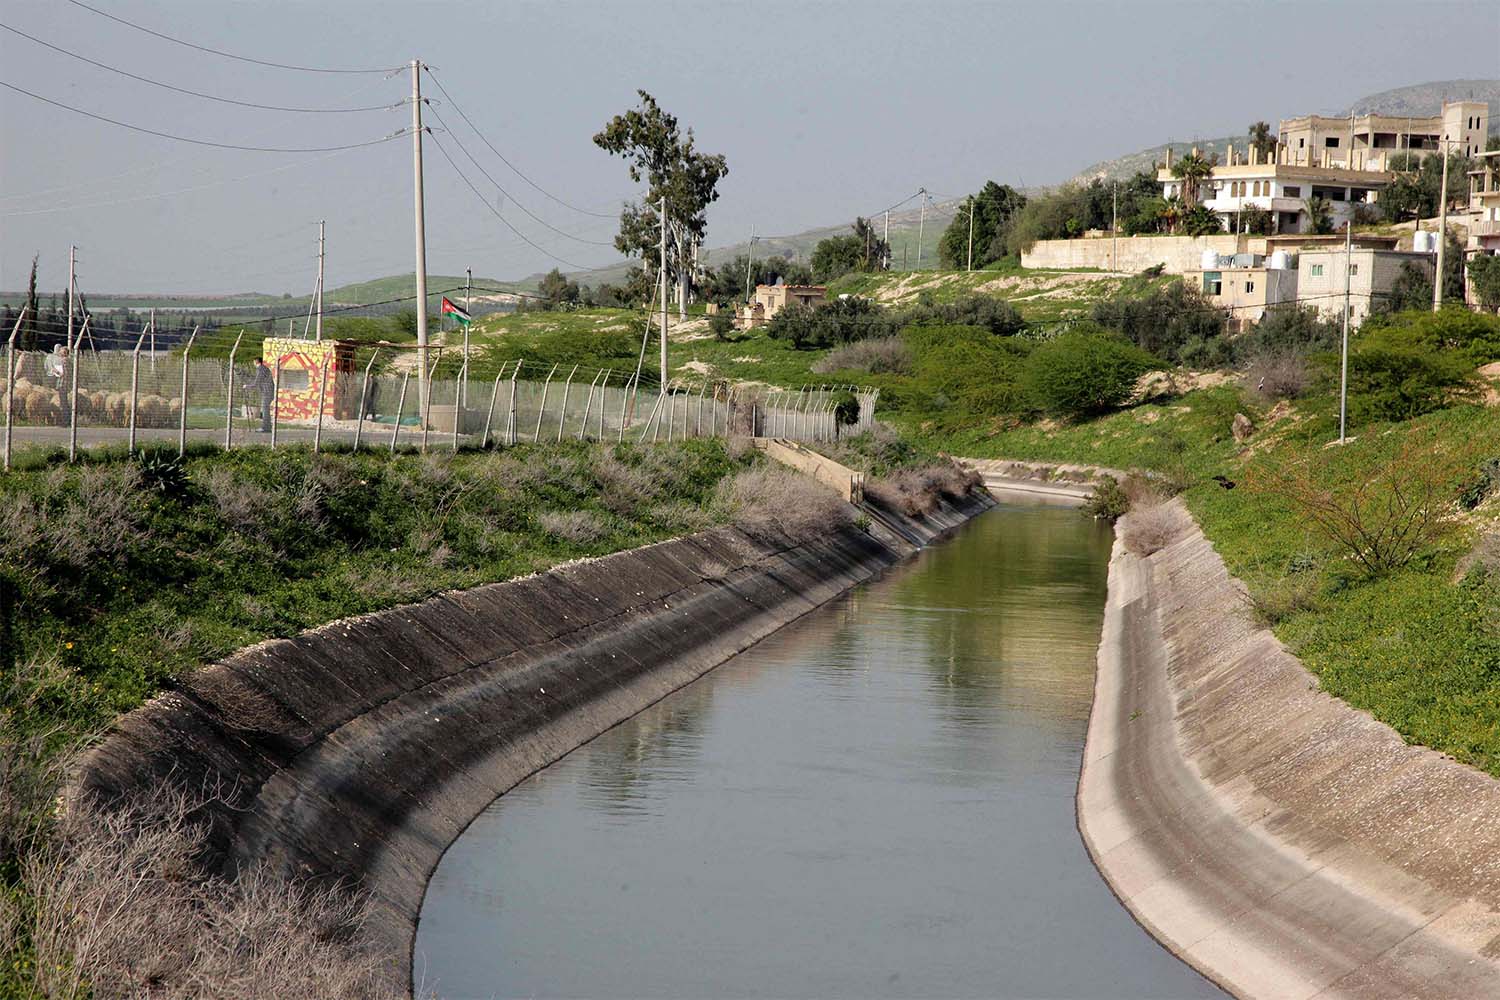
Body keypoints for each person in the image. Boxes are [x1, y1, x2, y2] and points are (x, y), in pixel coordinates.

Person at [246, 357, 275, 433]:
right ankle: (267, 427)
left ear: (256, 362)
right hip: (268, 391)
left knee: (265, 410)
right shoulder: (264, 369)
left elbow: (256, 383)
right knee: (266, 409)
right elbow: (257, 380)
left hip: (267, 392)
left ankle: (266, 428)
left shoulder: (261, 369)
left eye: (253, 362)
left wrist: (247, 386)